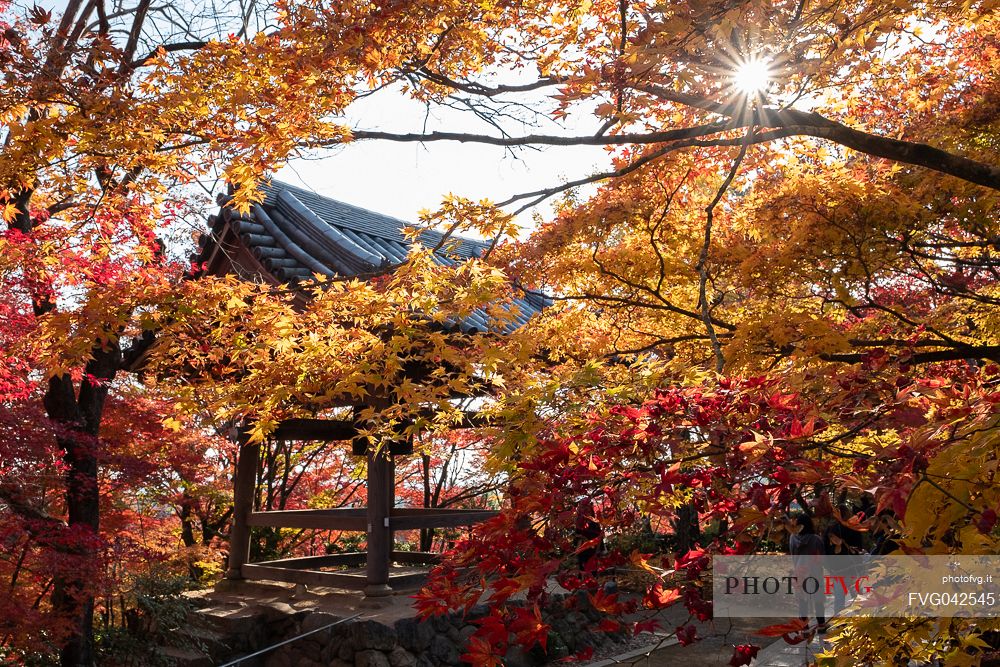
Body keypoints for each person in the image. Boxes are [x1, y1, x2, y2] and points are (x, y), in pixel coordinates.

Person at [789, 512, 827, 632]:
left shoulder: (792, 538)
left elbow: (792, 554)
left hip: (799, 572)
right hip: (815, 572)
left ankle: (804, 627)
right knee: (818, 600)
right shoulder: (816, 539)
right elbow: (822, 557)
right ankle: (821, 625)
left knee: (802, 601)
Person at [824, 505, 864, 615]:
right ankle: (860, 622)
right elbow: (859, 549)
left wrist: (829, 567)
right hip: (854, 568)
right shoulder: (854, 528)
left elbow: (826, 552)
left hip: (837, 569)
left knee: (839, 599)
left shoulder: (830, 530)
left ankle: (838, 624)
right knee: (857, 598)